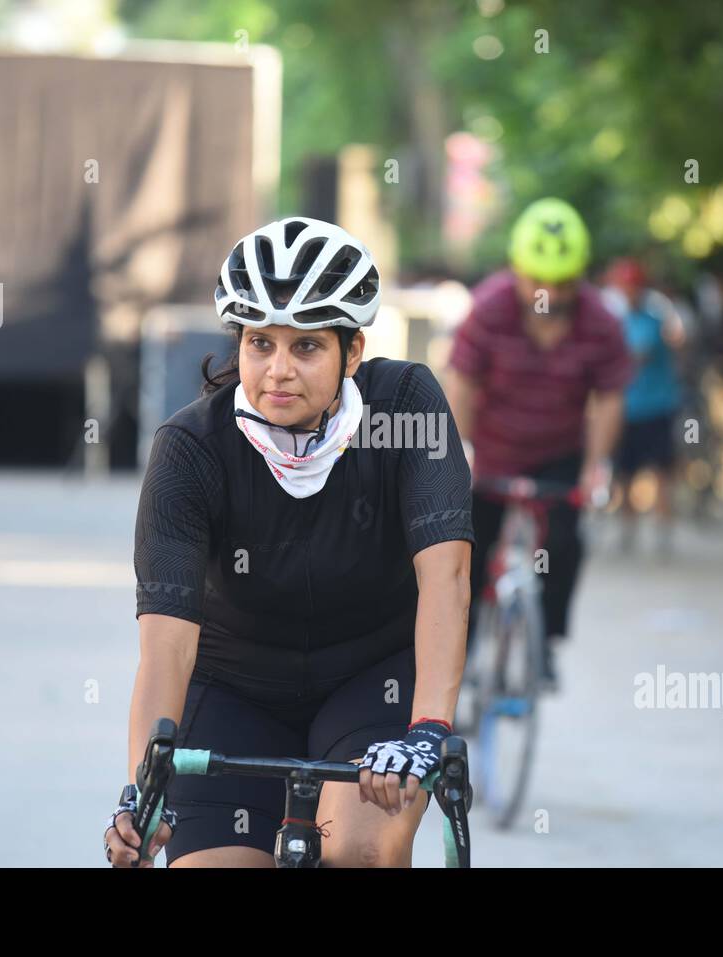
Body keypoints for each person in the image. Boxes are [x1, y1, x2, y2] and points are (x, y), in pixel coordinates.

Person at [106, 217, 473, 868]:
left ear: (352, 352)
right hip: (232, 688)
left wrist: (427, 728)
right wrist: (144, 793)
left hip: (370, 682)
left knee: (362, 849)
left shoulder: (406, 408)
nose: (278, 370)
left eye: (306, 347)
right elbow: (166, 646)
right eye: (259, 343)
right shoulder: (191, 451)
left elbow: (444, 576)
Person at [444, 198, 631, 688]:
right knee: (466, 552)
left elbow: (609, 398)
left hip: (558, 454)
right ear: (515, 269)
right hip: (489, 453)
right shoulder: (488, 308)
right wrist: (457, 451)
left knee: (566, 543)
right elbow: (460, 381)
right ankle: (453, 662)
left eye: (562, 282)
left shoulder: (600, 321)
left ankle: (544, 641)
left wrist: (597, 468)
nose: (548, 292)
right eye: (537, 280)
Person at [605, 257, 685, 556]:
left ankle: (663, 537)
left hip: (656, 408)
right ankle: (628, 534)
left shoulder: (653, 320)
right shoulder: (619, 322)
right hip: (628, 409)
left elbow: (638, 354)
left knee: (661, 474)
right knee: (625, 476)